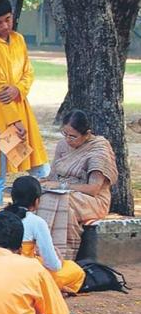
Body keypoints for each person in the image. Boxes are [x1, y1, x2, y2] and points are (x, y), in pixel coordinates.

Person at [0, 0, 49, 217]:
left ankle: (41, 215)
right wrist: (15, 123)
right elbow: (0, 91)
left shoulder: (19, 40)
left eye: (8, 19)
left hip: (22, 113)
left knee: (39, 166)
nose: (5, 26)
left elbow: (29, 73)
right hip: (0, 118)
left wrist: (19, 89)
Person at [38, 110, 118, 259]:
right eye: (65, 134)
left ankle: (61, 255)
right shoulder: (62, 144)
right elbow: (52, 177)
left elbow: (93, 189)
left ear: (87, 134)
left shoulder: (99, 149)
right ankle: (41, 251)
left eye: (73, 136)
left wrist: (62, 187)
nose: (68, 139)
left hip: (92, 200)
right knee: (37, 196)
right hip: (63, 193)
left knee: (57, 200)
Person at [3, 176, 86, 293]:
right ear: (37, 201)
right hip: (23, 274)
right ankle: (50, 289)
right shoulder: (36, 222)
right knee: (75, 271)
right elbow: (53, 265)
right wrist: (60, 260)